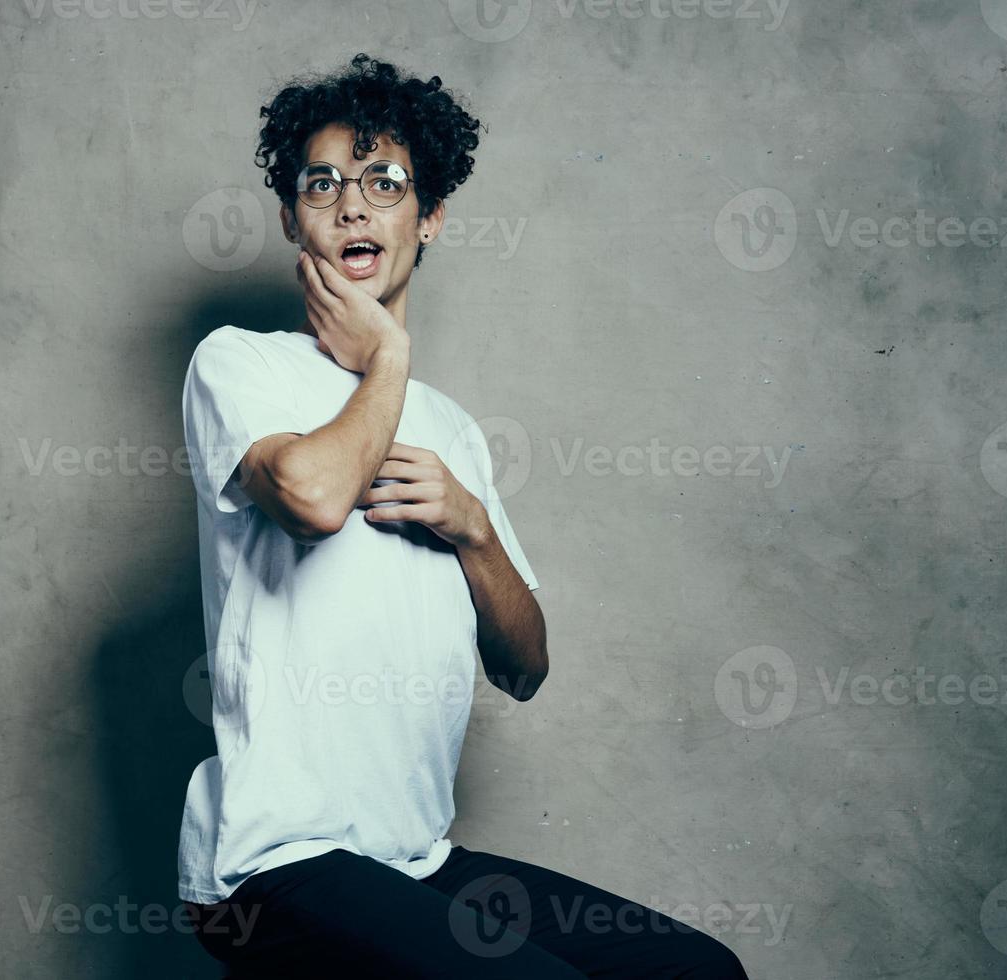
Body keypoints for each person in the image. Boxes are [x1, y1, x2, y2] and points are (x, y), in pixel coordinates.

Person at [175, 53, 750, 978]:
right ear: (293, 219)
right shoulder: (240, 363)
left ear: (429, 216)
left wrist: (474, 526)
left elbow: (524, 666)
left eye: (384, 183)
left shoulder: (457, 435)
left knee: (695, 972)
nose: (352, 206)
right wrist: (389, 358)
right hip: (272, 866)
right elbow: (317, 500)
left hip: (417, 862)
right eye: (321, 184)